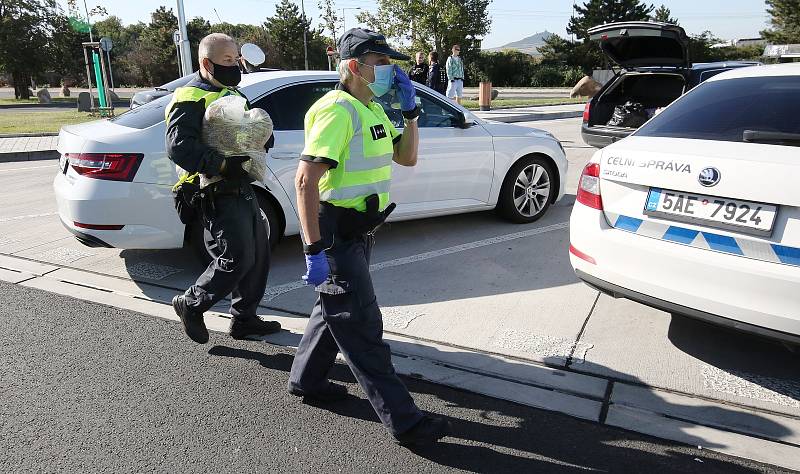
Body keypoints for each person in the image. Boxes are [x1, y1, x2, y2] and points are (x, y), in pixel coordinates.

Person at [288, 28, 451, 446]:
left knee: (335, 310)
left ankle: (306, 381)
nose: (389, 68)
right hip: (335, 231)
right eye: (380, 61)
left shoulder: (372, 108)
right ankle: (406, 423)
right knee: (361, 325)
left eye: (389, 61)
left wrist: (412, 113)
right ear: (355, 66)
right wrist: (313, 249)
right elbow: (306, 180)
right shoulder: (338, 110)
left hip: (359, 229)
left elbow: (407, 157)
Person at [165, 33, 281, 344]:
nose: (235, 66)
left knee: (258, 253)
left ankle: (244, 319)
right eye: (227, 61)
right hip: (211, 188)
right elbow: (180, 148)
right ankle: (191, 303)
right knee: (237, 257)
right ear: (206, 63)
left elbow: (250, 129)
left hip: (241, 183)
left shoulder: (232, 93)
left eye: (236, 59)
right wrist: (220, 165)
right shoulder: (189, 98)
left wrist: (262, 136)